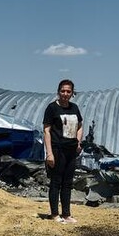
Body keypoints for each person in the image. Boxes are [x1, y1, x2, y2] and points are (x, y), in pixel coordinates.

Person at [42, 79, 83, 223]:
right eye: (63, 91)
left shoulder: (74, 108)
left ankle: (66, 214)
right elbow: (46, 131)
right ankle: (54, 214)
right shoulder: (52, 108)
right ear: (58, 92)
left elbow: (79, 126)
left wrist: (78, 142)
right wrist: (49, 153)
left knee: (68, 183)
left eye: (68, 91)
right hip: (57, 149)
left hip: (71, 150)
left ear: (72, 93)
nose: (65, 94)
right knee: (56, 182)